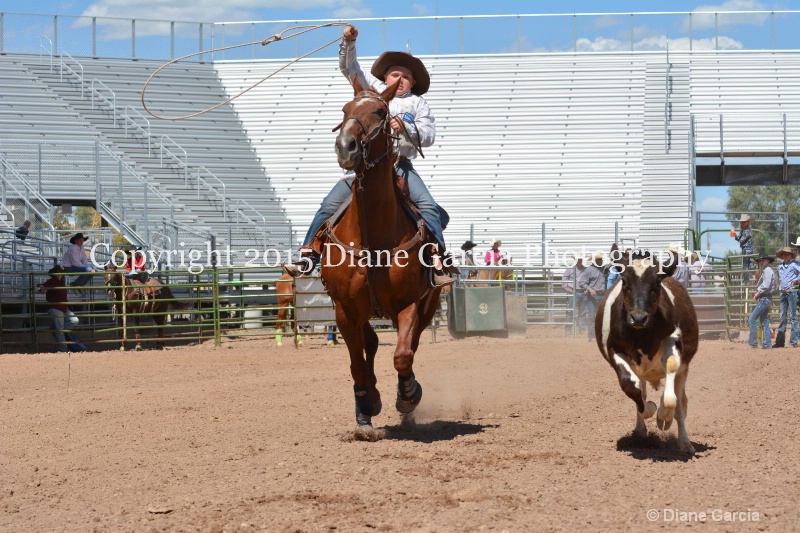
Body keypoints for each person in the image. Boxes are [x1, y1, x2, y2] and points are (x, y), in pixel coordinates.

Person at [282, 24, 452, 286]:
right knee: (329, 205)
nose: (399, 80)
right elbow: (350, 69)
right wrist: (349, 44)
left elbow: (428, 136)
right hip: (365, 167)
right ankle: (309, 254)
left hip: (399, 166)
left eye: (405, 77)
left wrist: (406, 127)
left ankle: (437, 259)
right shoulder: (371, 92)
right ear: (384, 78)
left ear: (413, 82)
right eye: (394, 74)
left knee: (428, 206)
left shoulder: (418, 104)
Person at [37, 266, 85, 352]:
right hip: (56, 307)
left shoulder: (61, 282)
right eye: (58, 273)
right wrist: (41, 286)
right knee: (64, 326)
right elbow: (43, 286)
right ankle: (62, 348)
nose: (60, 274)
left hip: (63, 307)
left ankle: (57, 332)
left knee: (74, 321)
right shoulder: (51, 282)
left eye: (60, 273)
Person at [748, 253, 776, 349]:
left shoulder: (767, 271)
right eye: (760, 260)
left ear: (767, 260)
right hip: (766, 298)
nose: (761, 262)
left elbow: (766, 285)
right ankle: (767, 344)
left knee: (752, 319)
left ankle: (753, 343)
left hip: (764, 298)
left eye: (763, 260)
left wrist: (757, 293)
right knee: (764, 321)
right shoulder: (766, 270)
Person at [774, 246, 800, 348]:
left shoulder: (794, 265)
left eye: (788, 254)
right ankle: (780, 342)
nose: (786, 255)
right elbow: (778, 278)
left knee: (793, 317)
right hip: (783, 292)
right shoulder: (779, 267)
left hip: (791, 291)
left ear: (790, 255)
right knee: (782, 317)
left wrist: (796, 281)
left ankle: (793, 341)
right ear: (782, 256)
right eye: (784, 254)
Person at [578, 251, 606, 341]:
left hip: (602, 295)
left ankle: (601, 335)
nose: (601, 261)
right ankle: (592, 334)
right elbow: (582, 282)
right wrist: (590, 289)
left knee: (602, 316)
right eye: (599, 260)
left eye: (601, 259)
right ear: (594, 261)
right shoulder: (588, 270)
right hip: (593, 296)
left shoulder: (604, 269)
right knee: (591, 316)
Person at [563, 253, 586, 334]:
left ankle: (581, 329)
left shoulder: (586, 269)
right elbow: (564, 280)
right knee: (570, 311)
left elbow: (589, 280)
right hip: (573, 292)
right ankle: (568, 328)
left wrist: (587, 289)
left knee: (582, 312)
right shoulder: (569, 269)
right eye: (578, 259)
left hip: (583, 292)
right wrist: (568, 289)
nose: (579, 261)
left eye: (580, 259)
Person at [734, 214, 754, 283]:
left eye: (744, 222)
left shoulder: (747, 231)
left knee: (746, 265)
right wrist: (734, 234)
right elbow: (739, 239)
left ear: (747, 222)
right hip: (746, 249)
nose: (742, 223)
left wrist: (736, 236)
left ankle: (747, 281)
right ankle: (752, 266)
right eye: (741, 222)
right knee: (747, 263)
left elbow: (741, 240)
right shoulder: (743, 231)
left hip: (747, 249)